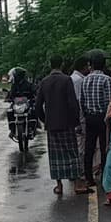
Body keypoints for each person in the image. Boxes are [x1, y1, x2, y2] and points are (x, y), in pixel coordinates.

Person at [35, 55, 89, 196]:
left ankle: (59, 186)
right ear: (62, 64)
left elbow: (37, 105)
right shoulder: (66, 80)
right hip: (67, 123)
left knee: (55, 156)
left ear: (50, 64)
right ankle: (77, 184)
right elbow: (73, 103)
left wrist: (45, 119)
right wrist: (76, 122)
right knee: (72, 153)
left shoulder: (44, 82)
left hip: (52, 124)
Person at [81, 54, 111, 186]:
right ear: (104, 65)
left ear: (92, 65)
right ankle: (104, 177)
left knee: (89, 147)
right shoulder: (107, 80)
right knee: (104, 146)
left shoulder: (85, 79)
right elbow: (109, 101)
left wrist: (86, 114)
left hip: (90, 117)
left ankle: (88, 177)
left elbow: (82, 100)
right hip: (103, 117)